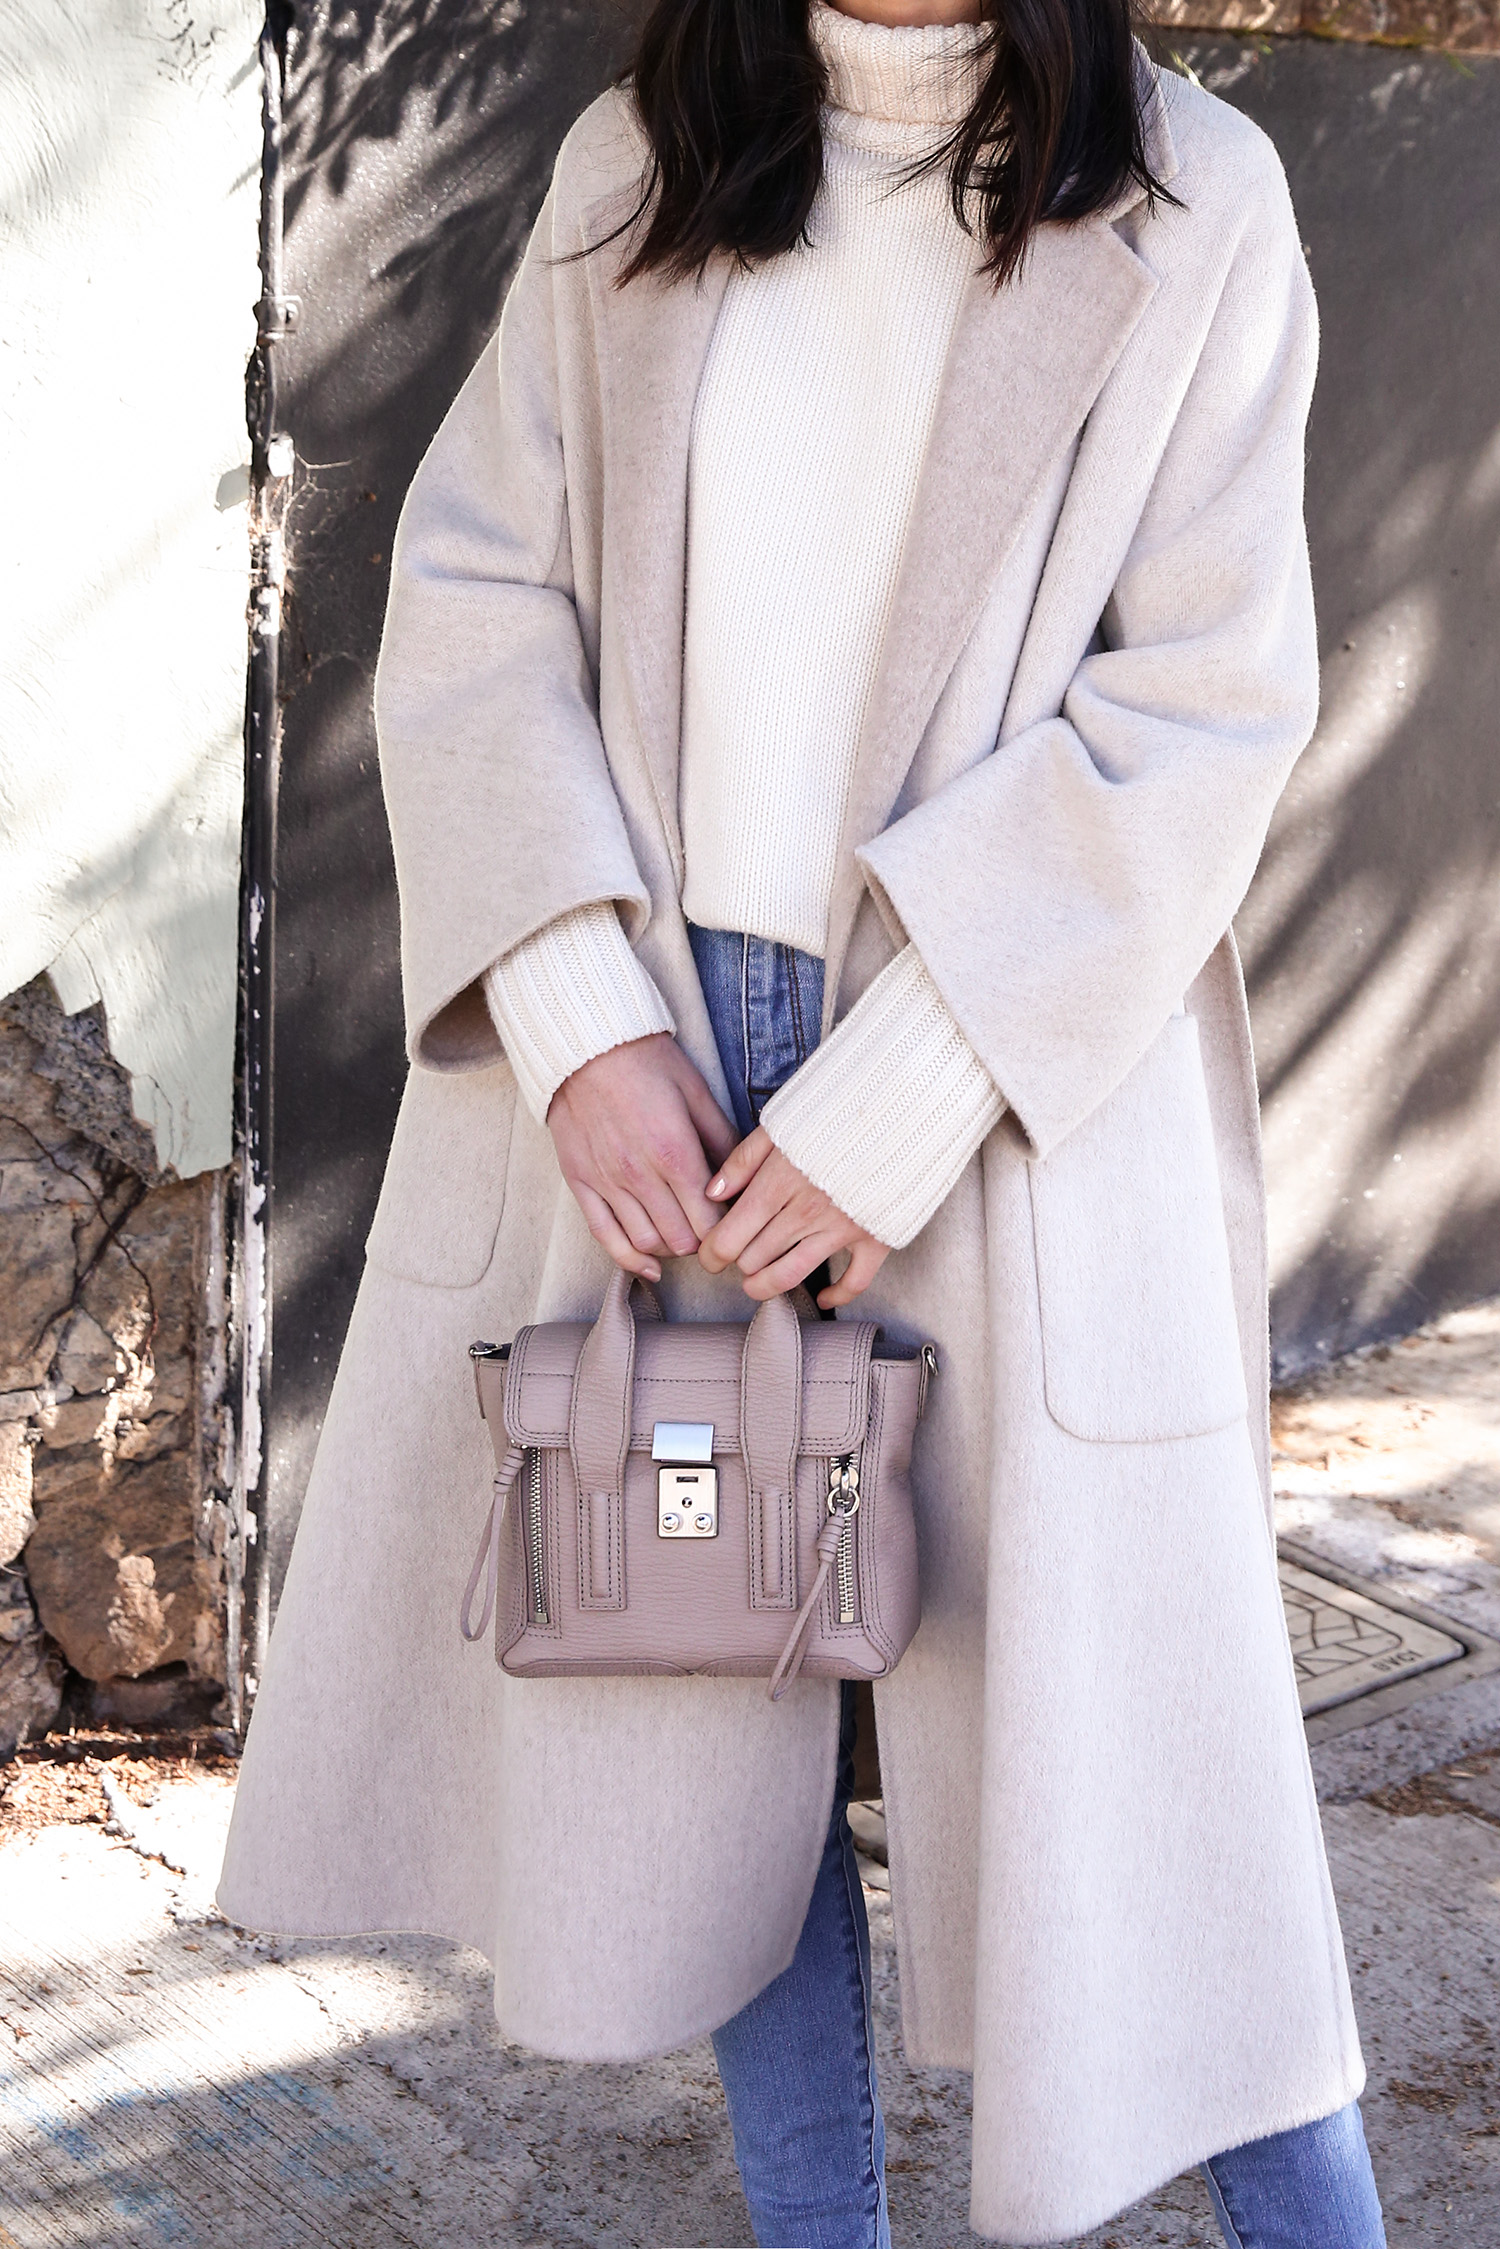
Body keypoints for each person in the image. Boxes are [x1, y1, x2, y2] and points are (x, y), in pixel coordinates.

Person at [219, 2, 1389, 2242]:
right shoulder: (639, 159)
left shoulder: (1194, 195)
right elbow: (474, 593)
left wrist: (916, 1078)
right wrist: (575, 1008)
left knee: (1151, 1822)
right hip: (662, 1058)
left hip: (1008, 1082)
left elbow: (1212, 700)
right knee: (712, 1719)